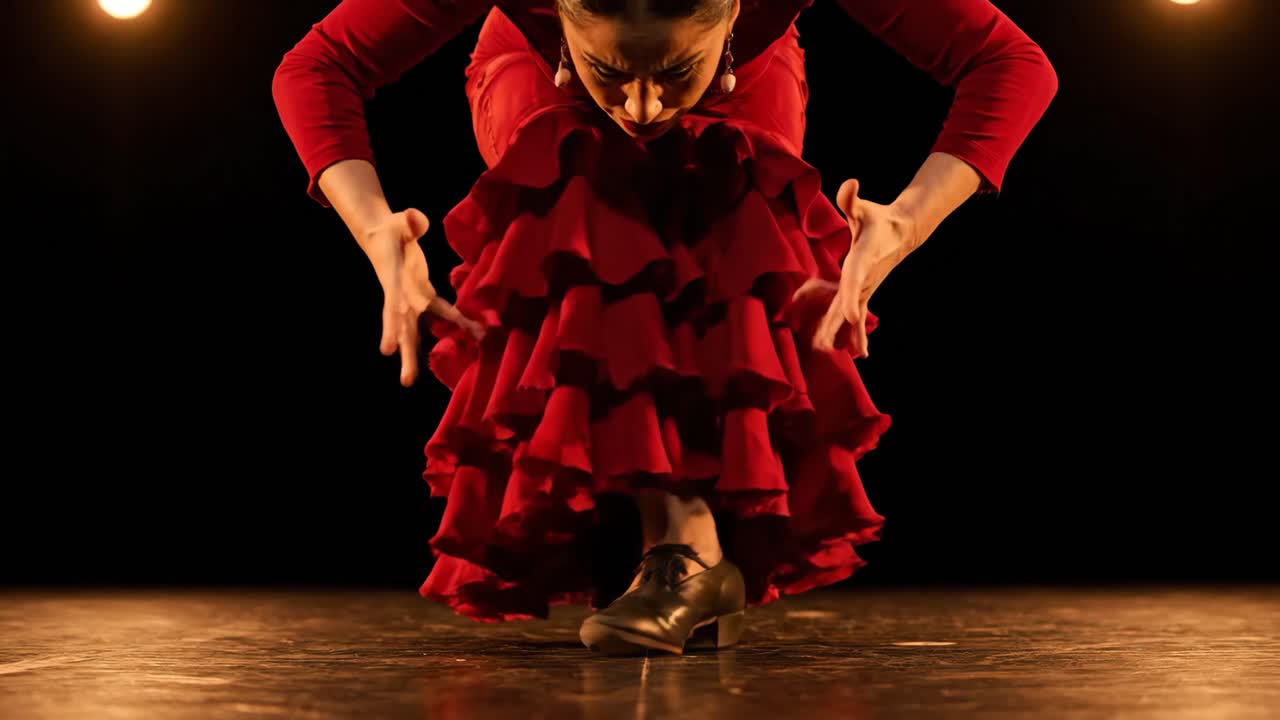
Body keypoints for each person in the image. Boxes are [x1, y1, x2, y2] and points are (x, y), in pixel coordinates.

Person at [272, 0, 1057, 656]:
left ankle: (687, 550)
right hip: (532, 71)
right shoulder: (552, 36)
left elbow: (1012, 64)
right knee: (583, 170)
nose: (643, 108)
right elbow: (315, 68)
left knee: (731, 179)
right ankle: (680, 537)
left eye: (672, 74)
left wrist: (907, 224)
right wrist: (375, 228)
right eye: (613, 73)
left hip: (746, 72)